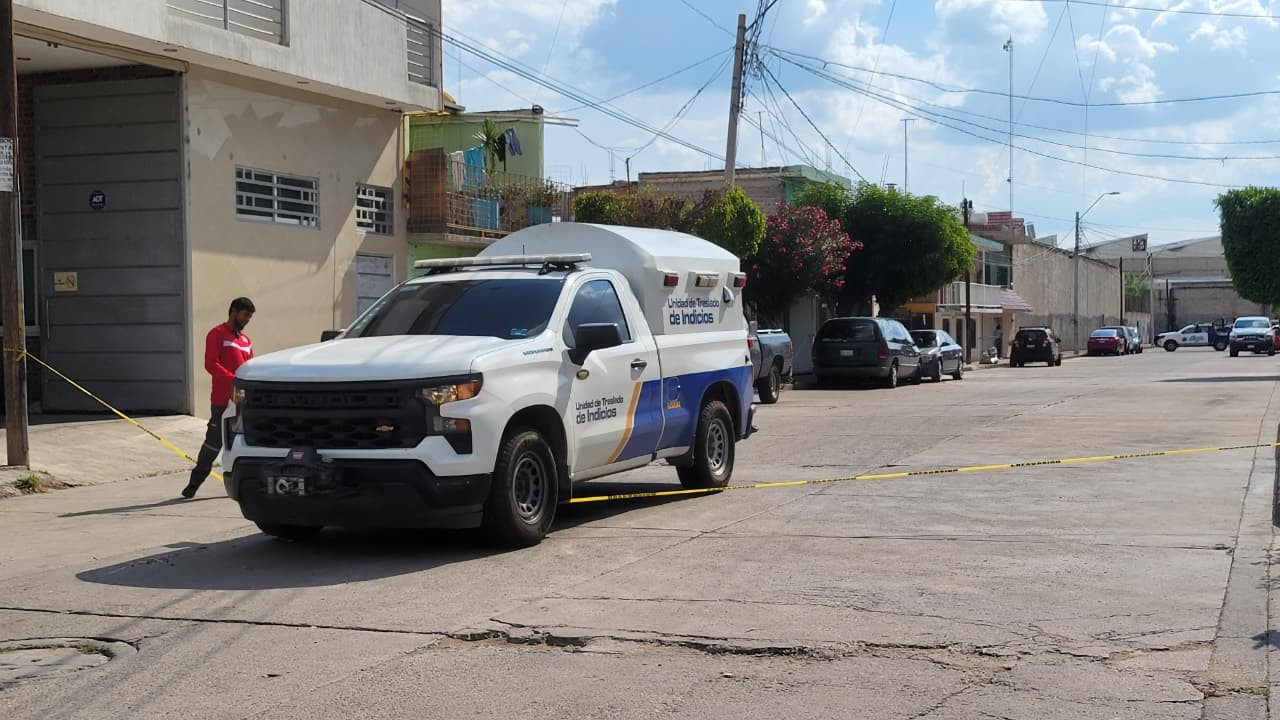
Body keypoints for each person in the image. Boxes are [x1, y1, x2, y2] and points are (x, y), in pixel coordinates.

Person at [183, 297, 255, 498]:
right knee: (213, 443)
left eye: (249, 317)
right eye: (245, 315)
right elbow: (211, 364)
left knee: (242, 443)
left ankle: (240, 484)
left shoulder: (246, 341)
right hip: (222, 401)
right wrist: (234, 380)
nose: (247, 320)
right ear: (233, 311)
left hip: (242, 401)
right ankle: (194, 483)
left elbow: (249, 368)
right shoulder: (216, 334)